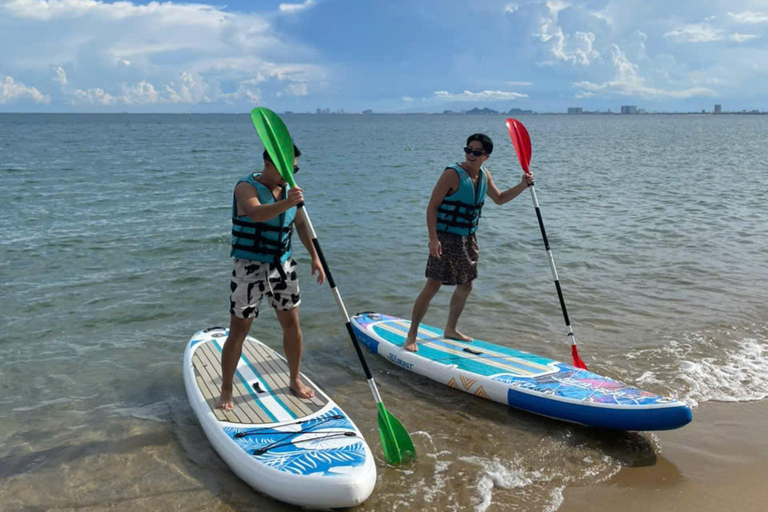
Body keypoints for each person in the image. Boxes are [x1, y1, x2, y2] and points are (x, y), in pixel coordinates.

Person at [217, 145, 325, 410]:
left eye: (295, 168)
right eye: (288, 168)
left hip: (282, 266)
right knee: (239, 330)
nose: (291, 174)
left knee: (292, 324)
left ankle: (295, 379)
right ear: (268, 164)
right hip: (249, 267)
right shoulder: (245, 187)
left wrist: (315, 257)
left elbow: (300, 224)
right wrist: (289, 200)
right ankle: (227, 389)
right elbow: (256, 213)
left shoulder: (290, 189)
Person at [404, 133, 534, 352]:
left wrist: (522, 185)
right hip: (445, 237)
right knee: (433, 284)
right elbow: (432, 207)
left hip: (468, 239)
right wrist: (433, 239)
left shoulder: (484, 175)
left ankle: (450, 329)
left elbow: (500, 199)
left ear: (486, 156)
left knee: (466, 285)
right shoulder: (451, 174)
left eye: (476, 152)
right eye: (468, 150)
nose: (470, 155)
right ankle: (411, 334)